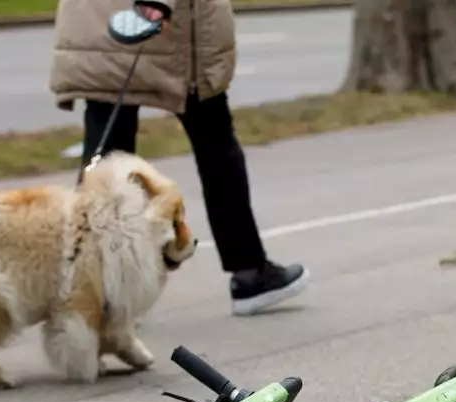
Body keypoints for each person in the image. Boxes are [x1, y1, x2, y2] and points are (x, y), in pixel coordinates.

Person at [48, 0, 308, 316]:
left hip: (100, 22)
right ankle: (249, 271)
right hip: (164, 25)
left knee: (105, 161)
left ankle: (93, 290)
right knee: (217, 149)